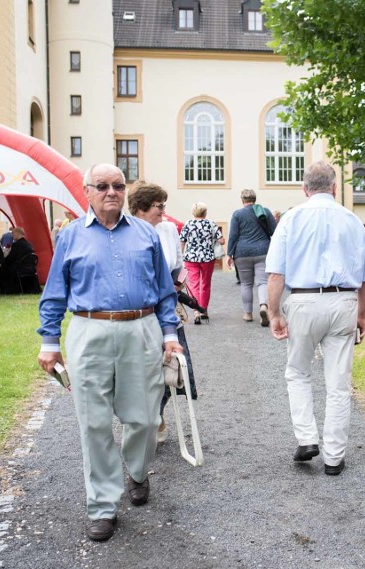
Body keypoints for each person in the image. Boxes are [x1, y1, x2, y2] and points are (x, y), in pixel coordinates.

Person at [37, 163, 182, 542]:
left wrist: (169, 333)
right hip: (89, 330)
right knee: (94, 423)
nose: (111, 192)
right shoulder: (70, 236)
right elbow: (54, 292)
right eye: (101, 186)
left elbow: (165, 290)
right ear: (87, 191)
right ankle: (102, 505)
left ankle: (137, 470)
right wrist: (49, 341)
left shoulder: (146, 234)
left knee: (145, 418)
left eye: (118, 185)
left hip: (141, 328)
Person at [266, 161, 365, 476]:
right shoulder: (353, 221)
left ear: (304, 189)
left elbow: (276, 274)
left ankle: (307, 437)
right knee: (339, 382)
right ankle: (334, 457)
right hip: (343, 300)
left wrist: (274, 313)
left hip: (303, 298)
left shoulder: (292, 218)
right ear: (335, 188)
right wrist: (361, 314)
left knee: (298, 372)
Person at [127, 180, 198, 444]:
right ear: (141, 208)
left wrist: (177, 285)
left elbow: (178, 265)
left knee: (171, 369)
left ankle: (157, 413)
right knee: (140, 371)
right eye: (159, 206)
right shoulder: (127, 230)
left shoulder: (167, 229)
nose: (163, 211)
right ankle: (141, 420)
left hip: (166, 307)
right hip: (139, 312)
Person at [227, 189, 277, 325]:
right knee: (262, 282)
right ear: (255, 199)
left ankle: (248, 313)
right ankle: (263, 306)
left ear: (242, 200)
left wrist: (229, 254)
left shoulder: (237, 214)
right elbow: (275, 231)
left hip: (242, 253)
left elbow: (233, 235)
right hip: (263, 251)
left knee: (246, 284)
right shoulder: (265, 211)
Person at [180, 202, 225, 324]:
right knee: (205, 284)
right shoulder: (211, 224)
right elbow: (221, 241)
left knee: (194, 284)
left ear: (193, 212)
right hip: (208, 258)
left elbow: (182, 242)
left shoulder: (188, 224)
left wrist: (181, 256)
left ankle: (195, 311)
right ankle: (204, 310)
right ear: (205, 212)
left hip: (191, 258)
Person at [0, 227, 37, 294]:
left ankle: (6, 290)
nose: (12, 236)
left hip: (20, 268)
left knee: (3, 268)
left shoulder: (16, 245)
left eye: (13, 234)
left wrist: (4, 261)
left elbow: (10, 258)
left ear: (18, 233)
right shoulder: (29, 244)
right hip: (30, 268)